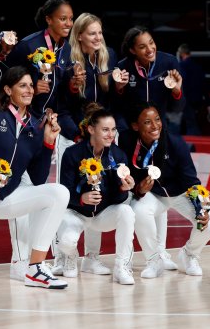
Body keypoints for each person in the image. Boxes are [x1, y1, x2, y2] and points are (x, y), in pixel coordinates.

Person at [0, 66, 70, 289]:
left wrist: (48, 142)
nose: (29, 90)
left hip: (8, 197)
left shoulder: (35, 125)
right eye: (22, 85)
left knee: (59, 193)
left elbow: (39, 177)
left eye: (31, 85)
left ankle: (36, 267)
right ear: (7, 89)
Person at [0, 0, 74, 278]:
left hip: (48, 126)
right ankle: (20, 261)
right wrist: (34, 86)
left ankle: (38, 259)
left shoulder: (66, 49)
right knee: (20, 190)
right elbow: (10, 78)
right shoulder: (29, 45)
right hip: (23, 125)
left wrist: (71, 85)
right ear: (48, 20)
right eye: (63, 18)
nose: (68, 23)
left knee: (41, 191)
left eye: (70, 19)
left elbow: (62, 93)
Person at [53, 12, 123, 276]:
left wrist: (119, 88)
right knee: (65, 197)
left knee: (99, 191)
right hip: (74, 137)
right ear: (79, 35)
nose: (98, 37)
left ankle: (92, 257)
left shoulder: (108, 57)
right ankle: (61, 256)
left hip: (101, 136)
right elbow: (61, 106)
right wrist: (78, 135)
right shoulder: (67, 61)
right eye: (92, 33)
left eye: (100, 32)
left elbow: (113, 103)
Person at [118, 101, 210, 279]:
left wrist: (201, 207)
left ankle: (189, 254)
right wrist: (139, 189)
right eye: (147, 122)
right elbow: (129, 176)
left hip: (182, 193)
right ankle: (154, 260)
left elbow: (192, 181)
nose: (155, 125)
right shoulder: (127, 141)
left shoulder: (175, 143)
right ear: (135, 126)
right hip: (155, 195)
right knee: (138, 210)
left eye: (157, 119)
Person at [112, 25, 184, 271]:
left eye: (151, 43)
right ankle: (129, 254)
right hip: (131, 137)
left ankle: (161, 252)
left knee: (158, 189)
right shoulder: (122, 67)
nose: (149, 49)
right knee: (136, 191)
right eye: (142, 46)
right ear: (133, 50)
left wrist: (176, 91)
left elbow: (179, 103)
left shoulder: (168, 62)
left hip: (157, 135)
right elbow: (115, 102)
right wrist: (119, 88)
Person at [56, 103, 136, 285]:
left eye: (113, 129)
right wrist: (81, 199)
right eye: (105, 129)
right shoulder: (72, 153)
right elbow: (64, 190)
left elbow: (118, 198)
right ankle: (70, 255)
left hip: (101, 215)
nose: (111, 134)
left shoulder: (118, 155)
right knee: (67, 242)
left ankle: (121, 267)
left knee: (127, 212)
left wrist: (124, 190)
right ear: (91, 129)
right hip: (76, 212)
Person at [177, 43, 210, 135]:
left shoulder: (181, 65)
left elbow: (181, 84)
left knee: (191, 125)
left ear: (182, 53)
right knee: (189, 123)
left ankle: (194, 146)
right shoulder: (198, 66)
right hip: (198, 100)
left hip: (186, 100)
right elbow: (204, 85)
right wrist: (208, 102)